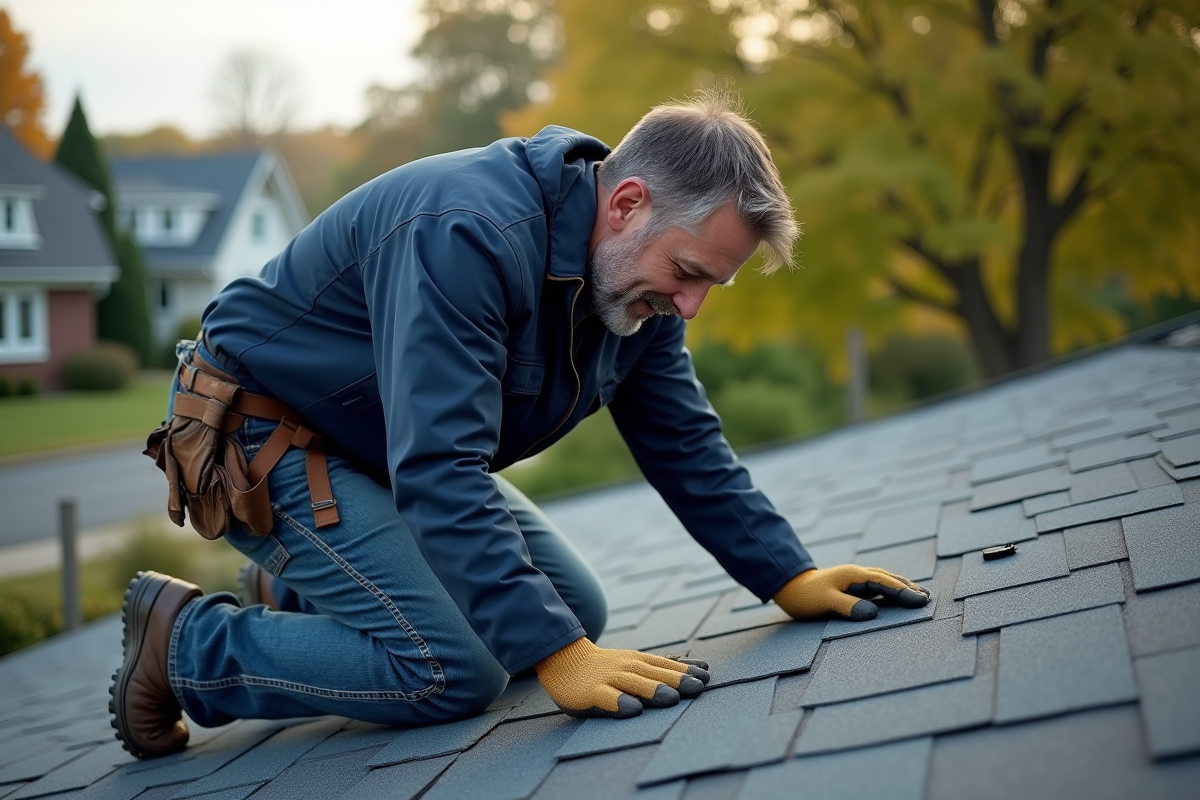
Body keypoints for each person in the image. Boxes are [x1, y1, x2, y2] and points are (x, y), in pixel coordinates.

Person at [109, 89, 930, 759]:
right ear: (629, 203)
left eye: (710, 284)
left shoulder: (637, 288)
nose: (690, 304)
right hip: (265, 435)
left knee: (576, 610)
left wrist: (784, 574)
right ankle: (186, 647)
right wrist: (557, 655)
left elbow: (683, 442)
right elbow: (438, 467)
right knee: (452, 670)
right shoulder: (467, 232)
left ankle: (300, 588)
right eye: (687, 274)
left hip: (370, 440)